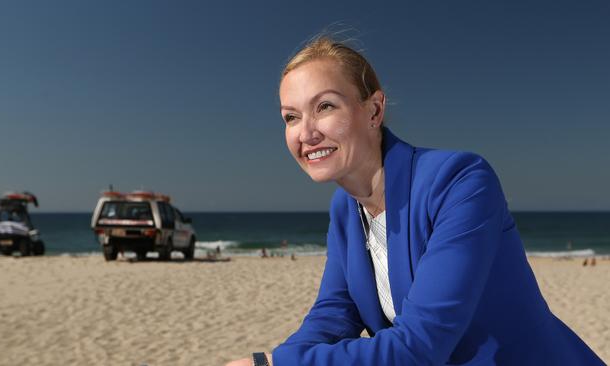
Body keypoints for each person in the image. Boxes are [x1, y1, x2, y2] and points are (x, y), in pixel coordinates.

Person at [226, 36, 603, 366]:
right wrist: (269, 361)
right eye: (290, 117)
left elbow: (421, 346)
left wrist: (273, 365)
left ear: (374, 110)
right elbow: (332, 318)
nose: (305, 132)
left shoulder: (459, 180)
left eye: (325, 107)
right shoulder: (345, 210)